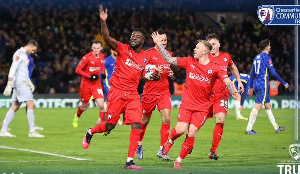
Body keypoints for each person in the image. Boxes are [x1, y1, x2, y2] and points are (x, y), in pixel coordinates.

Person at [81, 5, 160, 170]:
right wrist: (103, 22)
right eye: (132, 35)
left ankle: (129, 161)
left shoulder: (145, 58)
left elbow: (140, 74)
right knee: (109, 125)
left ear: (143, 41)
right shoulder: (122, 48)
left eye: (137, 36)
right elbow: (107, 37)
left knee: (136, 124)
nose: (134, 38)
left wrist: (149, 76)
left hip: (132, 95)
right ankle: (90, 131)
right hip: (117, 93)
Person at [151, 32, 239, 169]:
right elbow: (169, 59)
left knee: (191, 132)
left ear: (204, 51)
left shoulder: (215, 68)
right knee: (180, 130)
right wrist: (158, 45)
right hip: (187, 104)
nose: (194, 49)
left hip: (203, 107)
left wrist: (233, 90)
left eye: (197, 48)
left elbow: (227, 80)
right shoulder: (189, 61)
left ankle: (179, 160)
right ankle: (170, 141)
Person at [136, 29, 174, 161]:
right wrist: (153, 71)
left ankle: (162, 149)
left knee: (167, 118)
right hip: (149, 93)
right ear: (155, 40)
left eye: (165, 40)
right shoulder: (147, 54)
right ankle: (138, 143)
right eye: (161, 40)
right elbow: (142, 74)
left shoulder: (168, 54)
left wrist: (169, 73)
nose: (164, 42)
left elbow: (168, 69)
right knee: (145, 120)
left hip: (164, 92)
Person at [206, 33, 244, 160]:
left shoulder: (225, 56)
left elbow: (233, 68)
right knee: (197, 123)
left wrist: (238, 81)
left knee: (221, 120)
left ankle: (213, 151)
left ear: (219, 44)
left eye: (214, 44)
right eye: (210, 44)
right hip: (206, 95)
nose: (212, 46)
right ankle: (189, 142)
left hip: (222, 95)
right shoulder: (204, 57)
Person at [0, 40, 44, 138]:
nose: (33, 52)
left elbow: (22, 71)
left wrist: (29, 82)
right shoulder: (20, 54)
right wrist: (9, 83)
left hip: (22, 82)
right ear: (30, 46)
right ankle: (32, 131)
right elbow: (13, 68)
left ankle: (3, 130)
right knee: (31, 104)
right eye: (33, 50)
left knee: (15, 106)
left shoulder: (23, 54)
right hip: (20, 84)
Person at [245, 39, 289, 135]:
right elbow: (273, 72)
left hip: (257, 83)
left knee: (268, 106)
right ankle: (248, 129)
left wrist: (250, 87)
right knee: (258, 105)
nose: (270, 46)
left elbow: (252, 73)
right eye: (270, 45)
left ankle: (276, 128)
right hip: (262, 84)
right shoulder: (267, 58)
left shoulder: (257, 57)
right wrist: (284, 82)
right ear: (268, 47)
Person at [72, 41, 105, 128]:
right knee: (84, 107)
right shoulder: (87, 58)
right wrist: (89, 76)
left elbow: (102, 65)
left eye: (98, 48)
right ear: (92, 48)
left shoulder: (102, 56)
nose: (96, 50)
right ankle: (77, 116)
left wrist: (102, 73)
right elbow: (78, 70)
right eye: (94, 48)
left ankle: (102, 126)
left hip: (96, 84)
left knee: (101, 105)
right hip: (86, 85)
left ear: (101, 48)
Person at [96, 48, 123, 127]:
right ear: (111, 50)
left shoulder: (120, 59)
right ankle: (116, 119)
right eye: (114, 50)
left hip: (118, 84)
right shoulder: (107, 60)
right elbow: (101, 71)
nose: (115, 51)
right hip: (108, 83)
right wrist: (100, 80)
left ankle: (101, 117)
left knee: (111, 101)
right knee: (113, 100)